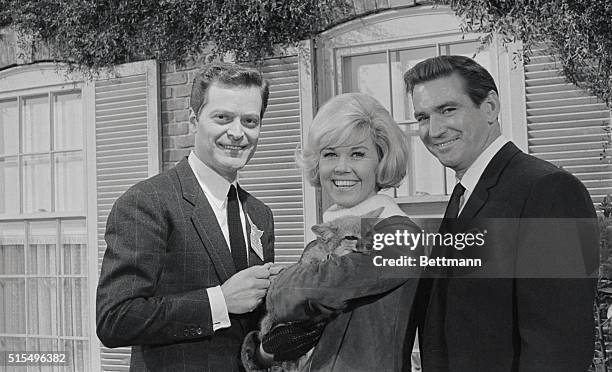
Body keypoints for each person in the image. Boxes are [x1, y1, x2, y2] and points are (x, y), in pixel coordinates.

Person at [404, 55, 598, 372]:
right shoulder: (463, 195)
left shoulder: (551, 191)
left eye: (448, 109)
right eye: (422, 117)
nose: (434, 130)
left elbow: (560, 348)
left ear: (490, 107)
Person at [96, 62, 277, 371]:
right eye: (222, 117)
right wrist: (218, 301)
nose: (237, 133)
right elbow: (115, 319)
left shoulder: (259, 213)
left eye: (250, 120)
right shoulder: (148, 201)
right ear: (194, 120)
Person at [243, 93, 424, 371]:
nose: (342, 167)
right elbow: (288, 326)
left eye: (357, 154)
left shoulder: (400, 235)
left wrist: (279, 281)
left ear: (382, 159)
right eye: (330, 154)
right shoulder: (326, 234)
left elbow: (301, 291)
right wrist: (263, 354)